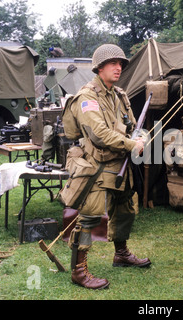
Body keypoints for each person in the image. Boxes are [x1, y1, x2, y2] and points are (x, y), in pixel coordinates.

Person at [66, 44, 151, 290]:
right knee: (90, 217)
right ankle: (79, 270)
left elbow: (135, 125)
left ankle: (121, 253)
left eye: (121, 63)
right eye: (113, 63)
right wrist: (130, 144)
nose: (118, 67)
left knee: (125, 208)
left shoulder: (120, 94)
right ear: (99, 67)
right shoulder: (87, 96)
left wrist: (141, 138)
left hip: (120, 163)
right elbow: (98, 134)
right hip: (96, 166)